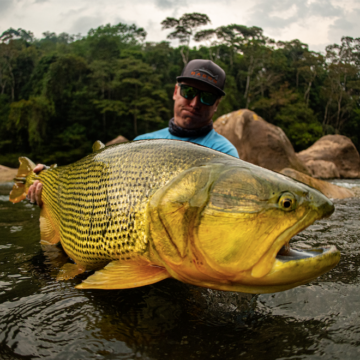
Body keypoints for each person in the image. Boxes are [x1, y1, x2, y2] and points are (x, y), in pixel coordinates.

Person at [27, 59, 239, 206]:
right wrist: (50, 184)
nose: (194, 103)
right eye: (188, 92)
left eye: (207, 98)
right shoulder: (141, 143)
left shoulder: (223, 153)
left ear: (217, 105)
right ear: (175, 92)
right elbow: (98, 190)